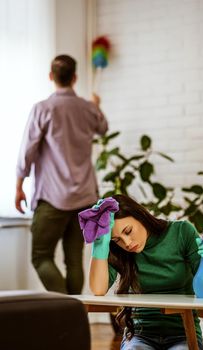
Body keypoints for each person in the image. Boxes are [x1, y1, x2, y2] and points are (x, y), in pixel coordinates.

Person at [79, 194, 203, 350]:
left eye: (128, 231)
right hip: (139, 335)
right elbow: (98, 289)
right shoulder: (118, 251)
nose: (126, 243)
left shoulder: (182, 232)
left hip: (183, 334)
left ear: (140, 215)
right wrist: (101, 245)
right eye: (117, 239)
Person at [15, 54, 108, 294]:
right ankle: (73, 314)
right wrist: (96, 106)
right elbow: (103, 128)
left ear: (51, 77)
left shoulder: (43, 108)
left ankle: (66, 310)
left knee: (41, 256)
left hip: (52, 198)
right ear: (75, 78)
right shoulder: (88, 109)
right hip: (85, 198)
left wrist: (19, 185)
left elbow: (27, 150)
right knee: (74, 260)